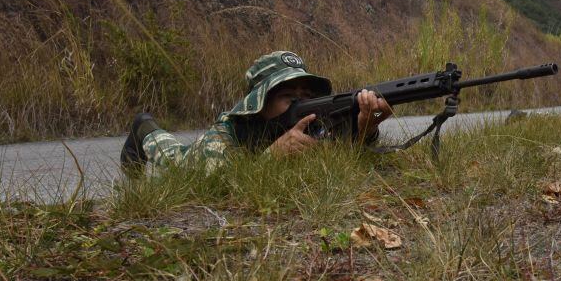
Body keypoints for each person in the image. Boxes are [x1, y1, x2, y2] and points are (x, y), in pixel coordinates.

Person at [120, 51, 392, 174]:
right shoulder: (227, 133)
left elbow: (344, 156)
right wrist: (272, 158)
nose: (300, 104)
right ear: (260, 102)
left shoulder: (309, 126)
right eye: (288, 96)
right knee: (170, 156)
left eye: (307, 97)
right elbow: (217, 185)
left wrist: (367, 126)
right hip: (194, 161)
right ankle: (143, 128)